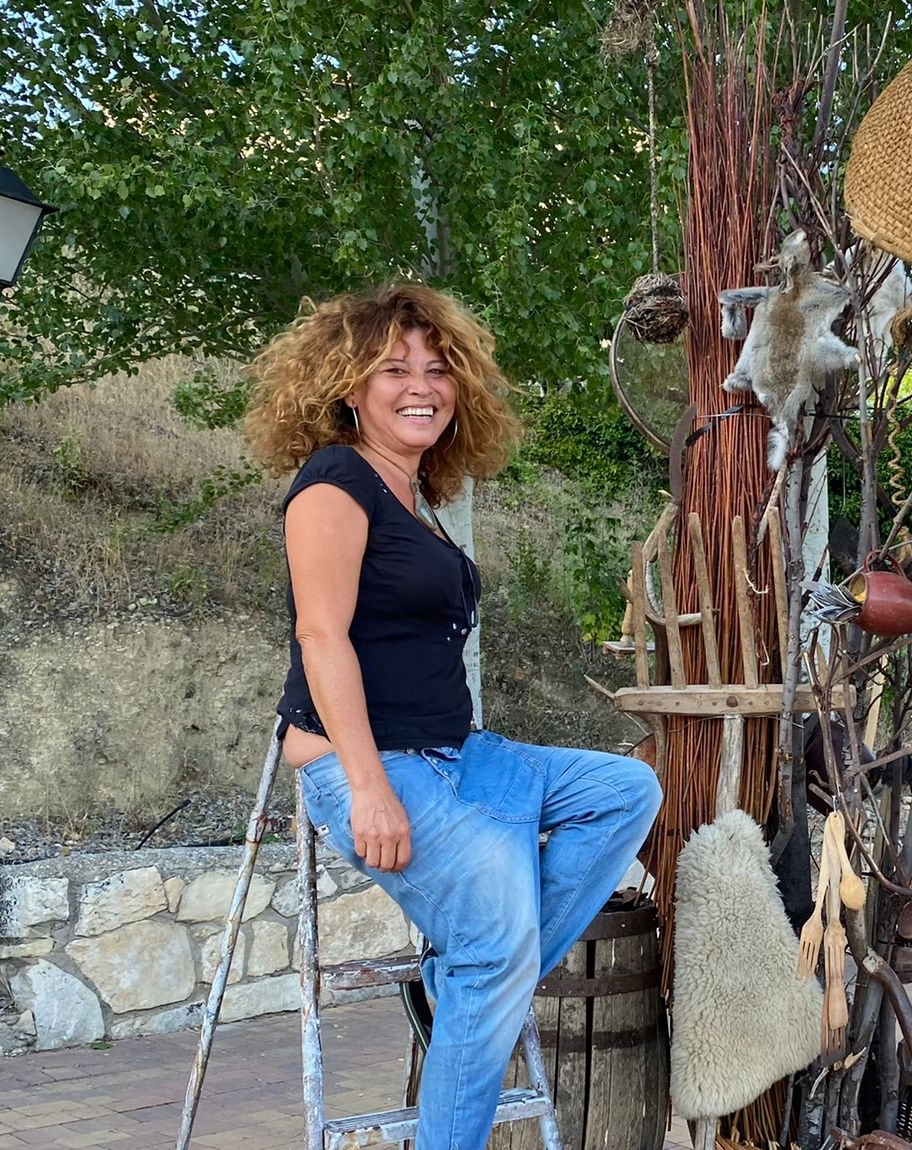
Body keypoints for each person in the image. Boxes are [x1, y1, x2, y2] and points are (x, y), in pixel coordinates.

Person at [244, 284, 662, 1148]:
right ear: (349, 386)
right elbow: (321, 637)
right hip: (374, 764)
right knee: (496, 948)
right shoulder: (335, 482)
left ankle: (459, 978)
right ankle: (473, 981)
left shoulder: (416, 499)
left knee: (624, 791)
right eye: (393, 369)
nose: (420, 386)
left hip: (459, 754)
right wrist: (367, 790)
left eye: (438, 369)